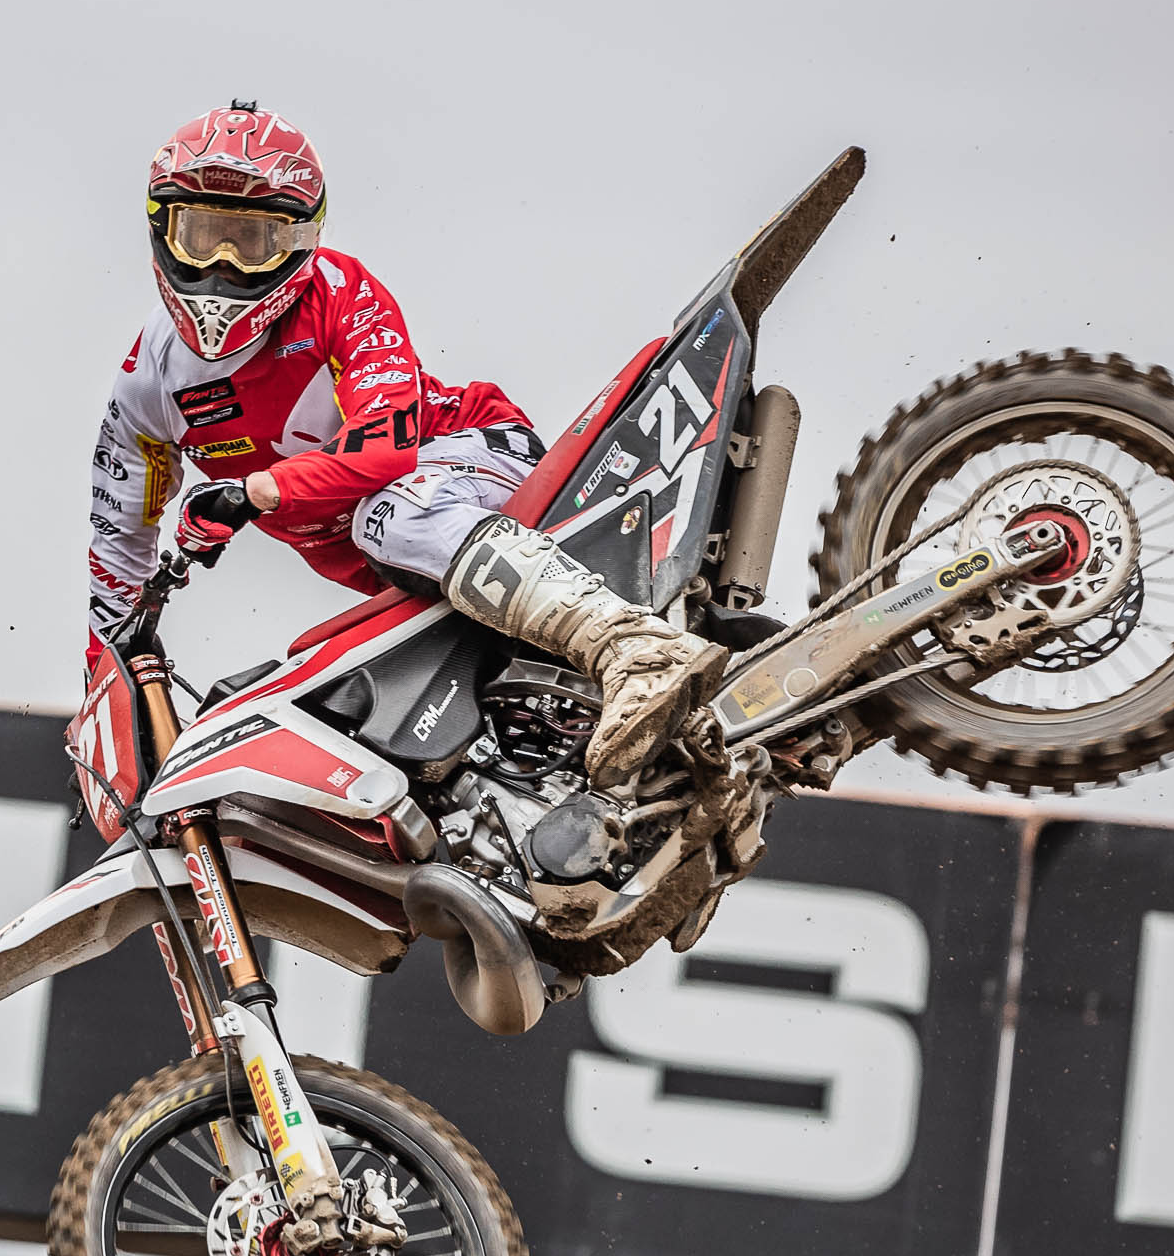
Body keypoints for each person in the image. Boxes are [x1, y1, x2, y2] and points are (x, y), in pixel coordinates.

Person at [86, 101, 729, 782]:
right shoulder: (145, 386)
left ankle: (635, 648)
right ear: (162, 229)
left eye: (252, 242)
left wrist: (256, 491)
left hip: (474, 462)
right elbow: (116, 555)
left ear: (300, 239)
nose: (223, 267)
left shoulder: (341, 292)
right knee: (361, 723)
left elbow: (383, 447)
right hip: (404, 572)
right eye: (203, 236)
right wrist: (102, 710)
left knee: (389, 514)